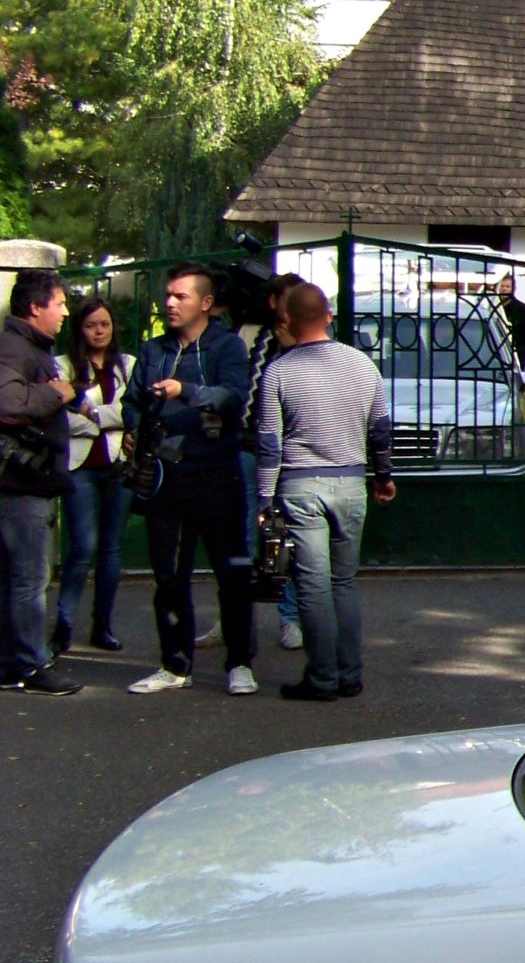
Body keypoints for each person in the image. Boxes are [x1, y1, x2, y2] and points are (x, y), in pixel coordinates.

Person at [256, 282, 394, 702]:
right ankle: (350, 674)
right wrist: (383, 476)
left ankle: (321, 677)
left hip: (300, 486)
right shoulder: (363, 365)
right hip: (350, 483)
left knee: (313, 586)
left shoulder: (279, 371)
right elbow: (380, 428)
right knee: (344, 583)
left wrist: (264, 498)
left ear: (288, 320)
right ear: (329, 317)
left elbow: (269, 442)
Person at [125, 262, 257, 696]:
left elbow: (232, 397)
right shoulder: (154, 350)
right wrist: (133, 426)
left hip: (217, 474)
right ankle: (175, 665)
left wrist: (186, 391)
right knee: (168, 576)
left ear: (205, 302)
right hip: (166, 476)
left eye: (180, 296)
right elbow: (132, 401)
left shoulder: (227, 347)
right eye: (168, 295)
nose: (170, 303)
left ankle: (240, 662)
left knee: (231, 572)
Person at [0, 269, 81, 694]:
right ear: (35, 307)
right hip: (22, 484)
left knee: (14, 578)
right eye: (60, 304)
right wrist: (58, 394)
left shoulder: (27, 348)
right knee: (29, 579)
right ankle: (32, 664)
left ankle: (10, 663)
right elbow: (9, 403)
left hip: (25, 481)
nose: (65, 312)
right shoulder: (14, 348)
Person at [54, 293, 135, 656]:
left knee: (111, 549)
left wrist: (92, 413)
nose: (99, 331)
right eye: (91, 325)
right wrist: (106, 419)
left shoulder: (128, 365)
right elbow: (62, 419)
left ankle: (102, 626)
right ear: (80, 329)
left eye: (104, 324)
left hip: (119, 466)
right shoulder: (62, 367)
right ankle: (63, 627)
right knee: (83, 547)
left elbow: (131, 412)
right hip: (81, 470)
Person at [237, 269, 307, 651]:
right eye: (287, 299)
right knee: (246, 534)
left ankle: (290, 617)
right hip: (248, 447)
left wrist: (293, 350)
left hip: (290, 453)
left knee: (288, 536)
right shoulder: (251, 334)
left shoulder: (308, 339)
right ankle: (235, 620)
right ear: (273, 301)